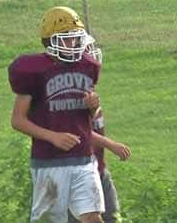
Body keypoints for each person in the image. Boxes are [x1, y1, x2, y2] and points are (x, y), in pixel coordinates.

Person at [9, 6, 105, 223]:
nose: (75, 44)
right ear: (51, 41)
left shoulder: (86, 66)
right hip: (49, 161)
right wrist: (52, 136)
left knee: (93, 218)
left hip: (84, 157)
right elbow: (17, 120)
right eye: (68, 38)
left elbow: (90, 115)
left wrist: (93, 106)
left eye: (76, 38)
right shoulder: (33, 70)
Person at [69, 37, 132, 223]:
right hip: (77, 172)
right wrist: (111, 144)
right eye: (87, 50)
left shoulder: (87, 87)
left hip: (98, 168)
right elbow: (77, 130)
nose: (92, 54)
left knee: (113, 217)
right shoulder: (68, 90)